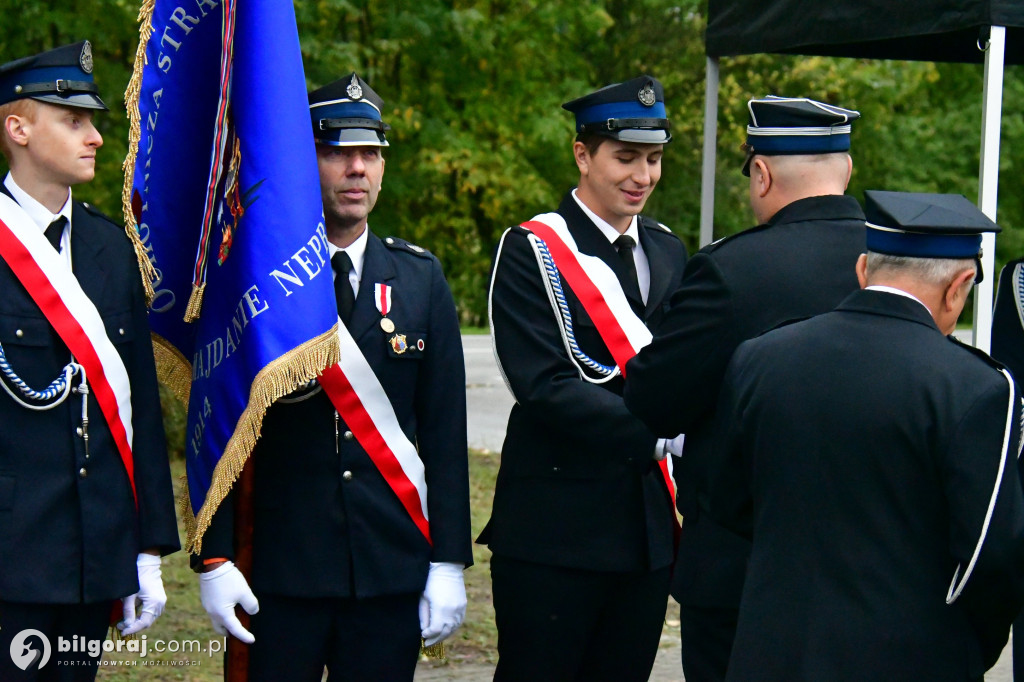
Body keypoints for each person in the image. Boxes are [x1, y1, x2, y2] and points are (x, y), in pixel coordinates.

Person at [194, 73, 473, 681]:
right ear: (302, 159)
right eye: (337, 152)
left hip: (387, 569)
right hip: (279, 571)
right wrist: (213, 557)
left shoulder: (420, 278)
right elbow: (217, 424)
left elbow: (445, 434)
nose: (357, 169)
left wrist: (449, 562)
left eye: (370, 153)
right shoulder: (255, 281)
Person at [708, 190, 1024, 681]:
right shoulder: (975, 386)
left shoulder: (760, 356)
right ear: (959, 286)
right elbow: (992, 556)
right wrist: (961, 647)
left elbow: (725, 498)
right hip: (908, 658)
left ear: (862, 269)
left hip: (771, 650)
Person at [622, 95, 866, 681]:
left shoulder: (732, 269)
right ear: (847, 169)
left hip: (745, 574)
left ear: (761, 172)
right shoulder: (895, 259)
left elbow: (653, 397)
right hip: (867, 570)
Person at [478, 75, 688, 681]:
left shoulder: (668, 250)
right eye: (625, 157)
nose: (642, 176)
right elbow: (543, 384)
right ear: (582, 154)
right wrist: (656, 435)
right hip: (555, 532)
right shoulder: (531, 248)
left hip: (645, 535)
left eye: (652, 159)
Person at [0, 41, 179, 679]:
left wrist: (148, 548)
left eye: (94, 122)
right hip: (10, 554)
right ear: (17, 128)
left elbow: (141, 413)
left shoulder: (109, 247)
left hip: (93, 554)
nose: (97, 137)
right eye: (73, 121)